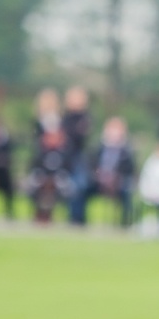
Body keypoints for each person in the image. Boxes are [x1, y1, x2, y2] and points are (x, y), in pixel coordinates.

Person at [86, 116, 137, 227]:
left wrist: (116, 177)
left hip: (118, 182)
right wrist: (99, 175)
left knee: (127, 192)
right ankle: (77, 221)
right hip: (99, 181)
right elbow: (91, 166)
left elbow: (130, 170)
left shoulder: (127, 151)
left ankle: (125, 225)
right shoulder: (98, 148)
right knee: (81, 188)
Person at [61, 86, 94, 224]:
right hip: (65, 157)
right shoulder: (64, 117)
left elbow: (78, 136)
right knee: (68, 186)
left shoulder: (85, 117)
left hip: (78, 157)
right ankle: (71, 216)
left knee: (80, 186)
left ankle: (79, 217)